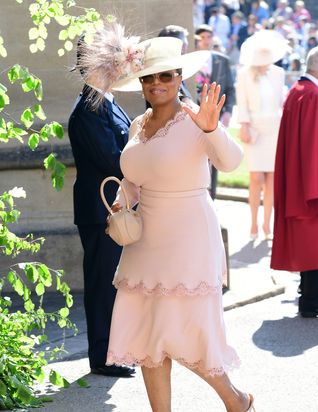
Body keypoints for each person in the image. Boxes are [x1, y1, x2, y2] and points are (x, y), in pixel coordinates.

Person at [80, 24, 255, 412]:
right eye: (149, 76)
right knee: (148, 339)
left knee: (187, 334)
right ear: (141, 82)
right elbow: (135, 179)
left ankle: (236, 400)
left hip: (188, 236)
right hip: (145, 241)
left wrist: (212, 128)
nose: (157, 82)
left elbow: (231, 161)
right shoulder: (139, 125)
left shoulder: (196, 117)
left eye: (166, 75)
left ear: (179, 79)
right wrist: (121, 200)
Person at [67, 36, 135, 377]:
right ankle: (104, 356)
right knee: (101, 282)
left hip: (110, 206)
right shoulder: (90, 108)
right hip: (100, 209)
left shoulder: (106, 102)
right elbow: (113, 159)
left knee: (114, 282)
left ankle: (115, 349)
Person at [271, 47, 318, 318]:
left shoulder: (297, 90)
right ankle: (313, 300)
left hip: (298, 177)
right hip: (314, 181)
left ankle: (310, 294)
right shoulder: (316, 96)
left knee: (311, 242)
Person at [236, 30, 287, 240]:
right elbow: (242, 103)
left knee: (272, 179)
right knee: (256, 177)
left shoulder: (279, 73)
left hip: (275, 128)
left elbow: (280, 103)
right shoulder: (244, 74)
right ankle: (253, 223)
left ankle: (267, 224)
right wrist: (244, 125)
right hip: (255, 128)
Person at [195, 23, 236, 199]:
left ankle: (211, 198)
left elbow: (230, 89)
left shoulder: (222, 60)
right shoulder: (190, 60)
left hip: (216, 117)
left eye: (209, 37)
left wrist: (227, 112)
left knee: (216, 155)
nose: (205, 41)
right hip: (194, 116)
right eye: (202, 37)